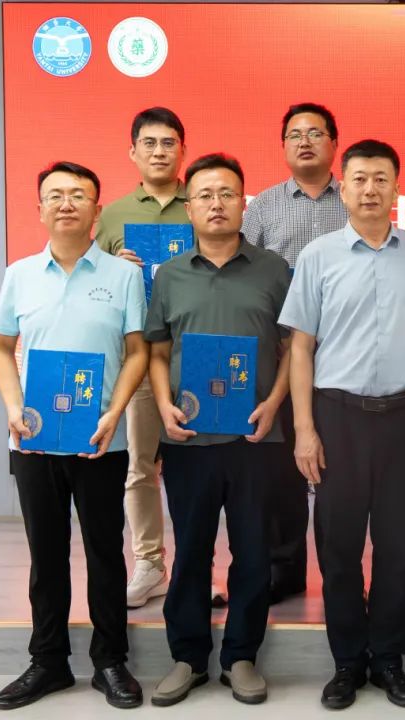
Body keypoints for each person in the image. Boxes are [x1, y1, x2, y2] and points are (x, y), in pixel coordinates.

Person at [280, 140, 405, 710]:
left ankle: (390, 659)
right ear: (344, 188)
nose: (370, 189)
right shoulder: (318, 256)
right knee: (340, 546)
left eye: (381, 178)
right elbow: (300, 347)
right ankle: (348, 662)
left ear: (397, 187)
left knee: (397, 548)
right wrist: (305, 428)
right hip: (338, 418)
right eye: (359, 179)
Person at [0, 161, 147, 710]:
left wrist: (116, 412)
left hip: (100, 439)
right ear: (39, 209)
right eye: (54, 194)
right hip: (33, 441)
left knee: (105, 552)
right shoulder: (19, 274)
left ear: (97, 209)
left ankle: (110, 661)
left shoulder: (124, 276)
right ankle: (48, 661)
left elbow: (137, 352)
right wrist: (13, 406)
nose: (66, 203)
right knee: (46, 554)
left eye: (78, 194)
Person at [144, 154, 292, 706]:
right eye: (205, 195)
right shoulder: (169, 274)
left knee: (254, 550)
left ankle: (241, 656)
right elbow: (158, 351)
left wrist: (274, 403)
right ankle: (187, 657)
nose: (216, 204)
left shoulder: (274, 269)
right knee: (191, 551)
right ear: (190, 207)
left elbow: (293, 348)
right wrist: (164, 406)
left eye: (227, 193)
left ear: (242, 203)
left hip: (256, 436)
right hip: (188, 438)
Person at [242, 103, 349, 603]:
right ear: (283, 146)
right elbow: (244, 269)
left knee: (340, 476)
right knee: (282, 472)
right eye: (294, 134)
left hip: (345, 355)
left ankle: (341, 578)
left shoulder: (353, 199)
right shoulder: (263, 205)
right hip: (282, 354)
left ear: (334, 144)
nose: (304, 141)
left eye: (315, 133)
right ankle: (283, 572)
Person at [95, 106, 189, 609]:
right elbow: (93, 283)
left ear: (182, 150)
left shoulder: (201, 201)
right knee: (139, 466)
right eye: (149, 143)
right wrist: (115, 267)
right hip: (138, 358)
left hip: (195, 357)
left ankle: (197, 567)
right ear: (132, 152)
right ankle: (149, 562)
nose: (159, 151)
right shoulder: (112, 214)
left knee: (200, 471)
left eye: (168, 142)